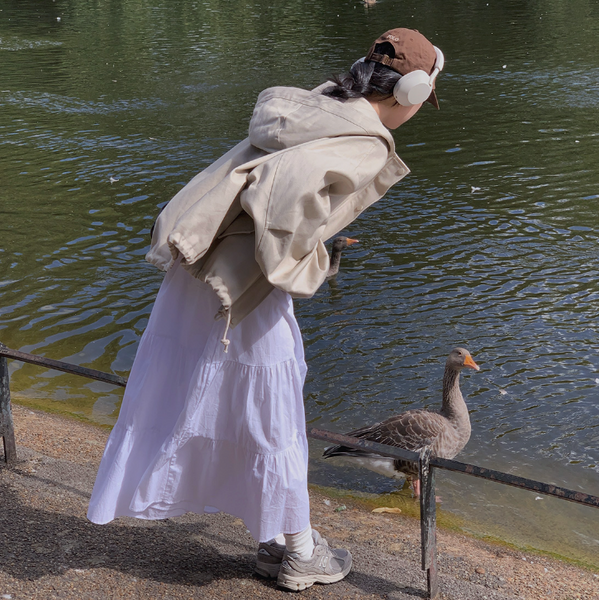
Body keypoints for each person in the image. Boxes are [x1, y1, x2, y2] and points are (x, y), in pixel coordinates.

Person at [87, 27, 444, 591]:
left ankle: (276, 538)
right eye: (424, 100)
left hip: (203, 259)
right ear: (410, 94)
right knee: (272, 404)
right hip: (242, 277)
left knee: (235, 394)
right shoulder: (363, 139)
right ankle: (300, 552)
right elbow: (283, 203)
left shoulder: (321, 104)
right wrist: (306, 269)